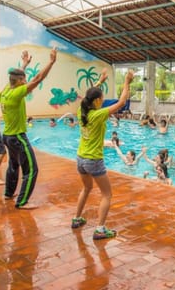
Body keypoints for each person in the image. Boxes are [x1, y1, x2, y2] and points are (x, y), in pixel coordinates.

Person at [71, 68, 134, 240]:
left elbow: (87, 97)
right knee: (107, 194)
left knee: (86, 188)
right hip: (93, 160)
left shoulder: (81, 111)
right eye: (102, 98)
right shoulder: (97, 115)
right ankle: (100, 229)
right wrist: (127, 82)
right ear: (98, 101)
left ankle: (77, 219)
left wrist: (100, 81)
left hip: (80, 158)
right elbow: (121, 103)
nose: (103, 100)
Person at [0, 48, 57, 209]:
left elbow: (17, 76)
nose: (26, 82)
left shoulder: (6, 90)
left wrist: (24, 64)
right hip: (18, 137)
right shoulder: (16, 93)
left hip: (7, 136)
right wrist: (51, 62)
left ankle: (8, 193)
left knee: (13, 165)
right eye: (24, 80)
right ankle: (22, 201)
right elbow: (38, 79)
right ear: (19, 82)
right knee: (32, 169)